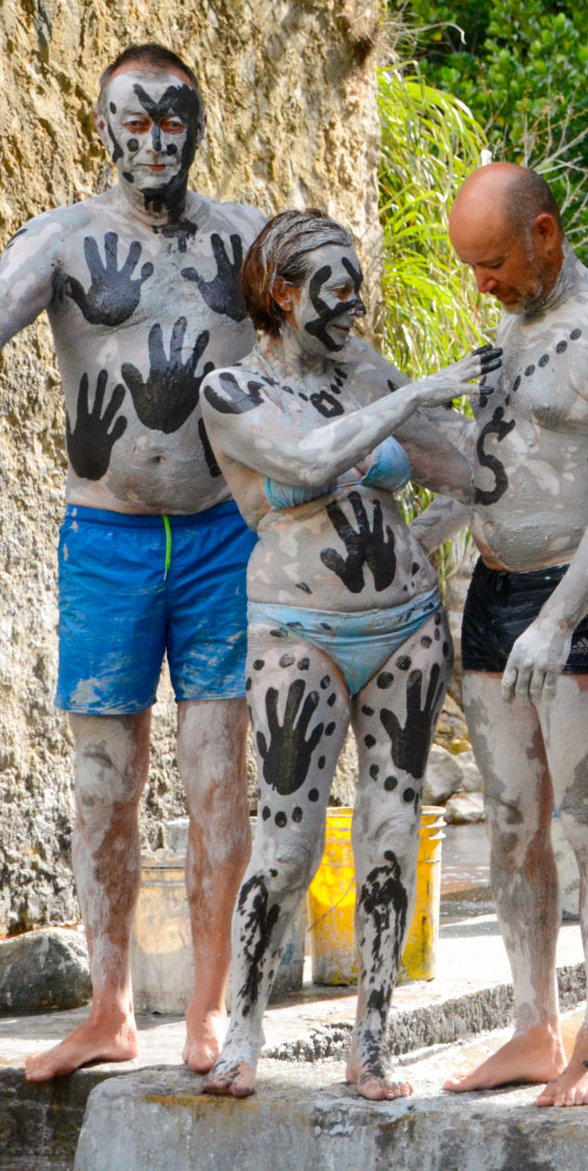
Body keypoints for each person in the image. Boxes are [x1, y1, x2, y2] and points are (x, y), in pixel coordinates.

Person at [0, 44, 264, 1080]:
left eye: (171, 121)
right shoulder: (61, 238)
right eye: (133, 122)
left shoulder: (245, 240)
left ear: (199, 122)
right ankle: (109, 1004)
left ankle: (205, 999)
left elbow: (325, 347)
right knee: (105, 780)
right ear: (103, 127)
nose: (153, 141)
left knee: (216, 778)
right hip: (103, 537)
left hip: (223, 537)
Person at [195, 210, 494, 1099]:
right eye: (332, 280)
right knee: (286, 845)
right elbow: (307, 456)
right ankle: (242, 1031)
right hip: (298, 633)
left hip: (405, 626)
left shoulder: (363, 370)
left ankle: (371, 1041)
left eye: (357, 277)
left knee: (392, 835)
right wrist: (410, 398)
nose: (353, 298)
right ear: (282, 294)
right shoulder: (232, 393)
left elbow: (470, 470)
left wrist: (434, 534)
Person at [434, 163, 588, 1105]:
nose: (479, 282)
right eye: (470, 267)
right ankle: (532, 1026)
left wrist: (559, 618)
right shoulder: (512, 323)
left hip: (583, 597)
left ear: (546, 235)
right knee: (509, 824)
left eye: (492, 261)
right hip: (494, 593)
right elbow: (496, 470)